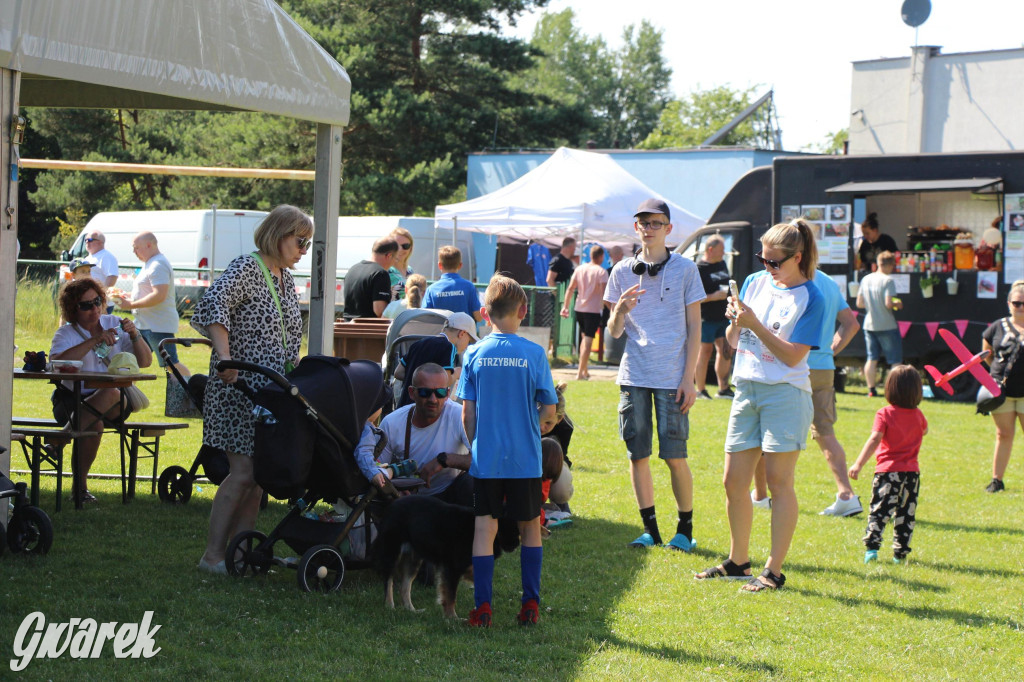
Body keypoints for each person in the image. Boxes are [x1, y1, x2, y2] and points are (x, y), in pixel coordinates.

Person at [695, 219, 825, 591]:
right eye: (762, 260)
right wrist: (737, 321)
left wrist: (755, 323)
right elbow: (734, 341)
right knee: (733, 481)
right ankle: (738, 561)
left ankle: (774, 570)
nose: (767, 268)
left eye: (774, 263)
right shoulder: (754, 282)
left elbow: (792, 357)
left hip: (786, 393)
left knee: (780, 484)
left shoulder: (812, 298)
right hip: (746, 388)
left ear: (797, 258)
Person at [191, 205, 311, 574]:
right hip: (239, 386)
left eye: (308, 243)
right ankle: (212, 556)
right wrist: (225, 357)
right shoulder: (247, 267)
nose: (304, 249)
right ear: (278, 234)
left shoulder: (284, 278)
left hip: (270, 391)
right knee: (243, 471)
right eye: (300, 240)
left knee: (258, 476)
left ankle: (241, 555)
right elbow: (213, 305)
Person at [604, 198, 705, 551]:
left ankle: (685, 531)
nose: (649, 228)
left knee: (676, 456)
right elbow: (615, 331)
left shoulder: (686, 269)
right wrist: (619, 309)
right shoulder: (619, 271)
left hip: (673, 377)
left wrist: (689, 378)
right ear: (636, 228)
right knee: (638, 455)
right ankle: (650, 530)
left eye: (656, 223)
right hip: (634, 374)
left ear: (668, 228)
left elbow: (696, 326)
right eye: (644, 223)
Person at [457, 274, 557, 628]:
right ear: (523, 310)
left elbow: (467, 413)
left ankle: (482, 608)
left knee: (484, 530)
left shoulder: (473, 353)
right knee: (530, 528)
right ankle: (530, 604)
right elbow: (549, 410)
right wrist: (537, 429)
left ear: (485, 314)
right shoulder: (533, 353)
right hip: (525, 460)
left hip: (487, 461)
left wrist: (474, 446)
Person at [751, 270, 862, 516]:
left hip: (788, 368)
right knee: (825, 433)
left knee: (763, 430)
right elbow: (852, 324)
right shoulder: (830, 282)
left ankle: (760, 495)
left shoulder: (779, 278)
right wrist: (830, 351)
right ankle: (846, 494)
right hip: (823, 368)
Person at [49, 278, 153, 503]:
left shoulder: (114, 322)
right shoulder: (65, 334)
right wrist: (94, 340)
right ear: (72, 309)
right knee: (93, 423)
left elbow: (145, 362)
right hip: (72, 400)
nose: (94, 308)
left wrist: (135, 335)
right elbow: (56, 364)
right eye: (85, 305)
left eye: (97, 301)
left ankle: (61, 439)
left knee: (112, 392)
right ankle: (80, 490)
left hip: (117, 402)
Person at [358, 363, 474, 506]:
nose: (433, 399)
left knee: (474, 482)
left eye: (440, 392)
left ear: (448, 394)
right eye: (425, 392)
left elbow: (484, 462)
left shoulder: (460, 416)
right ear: (412, 393)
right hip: (411, 501)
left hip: (453, 495)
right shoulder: (392, 423)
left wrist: (445, 460)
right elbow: (376, 468)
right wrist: (394, 490)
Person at [848, 365, 927, 564]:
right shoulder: (918, 416)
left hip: (887, 472)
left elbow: (875, 439)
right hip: (911, 474)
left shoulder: (885, 413)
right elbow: (924, 431)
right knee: (905, 513)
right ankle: (900, 555)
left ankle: (872, 550)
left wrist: (858, 463)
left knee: (880, 510)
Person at [115, 232, 189, 377]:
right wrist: (124, 296)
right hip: (145, 325)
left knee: (171, 364)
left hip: (157, 325)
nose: (134, 252)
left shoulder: (158, 264)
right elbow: (146, 292)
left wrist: (130, 304)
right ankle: (128, 395)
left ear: (148, 245)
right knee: (131, 361)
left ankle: (193, 391)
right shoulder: (150, 263)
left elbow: (159, 295)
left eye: (136, 248)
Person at [980, 280, 1024, 493]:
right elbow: (987, 354)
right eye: (1017, 303)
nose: (1021, 307)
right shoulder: (998, 326)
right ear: (1009, 304)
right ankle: (997, 480)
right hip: (1001, 392)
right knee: (1003, 434)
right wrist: (997, 377)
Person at [395, 312, 479, 408]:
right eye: (468, 341)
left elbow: (398, 372)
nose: (466, 346)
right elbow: (445, 381)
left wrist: (417, 379)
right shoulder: (448, 347)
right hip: (423, 407)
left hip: (404, 405)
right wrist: (457, 372)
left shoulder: (418, 343)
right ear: (462, 333)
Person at [857, 251, 903, 397]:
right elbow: (889, 303)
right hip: (887, 324)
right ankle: (894, 391)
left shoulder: (866, 279)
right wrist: (899, 303)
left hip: (869, 324)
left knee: (872, 358)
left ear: (877, 263)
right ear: (890, 265)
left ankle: (871, 390)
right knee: (895, 360)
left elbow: (859, 303)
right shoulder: (888, 280)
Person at [560, 244, 608, 381]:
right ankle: (580, 372)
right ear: (601, 256)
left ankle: (584, 370)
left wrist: (565, 306)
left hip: (579, 308)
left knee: (583, 339)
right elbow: (605, 294)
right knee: (587, 341)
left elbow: (570, 289)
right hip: (593, 310)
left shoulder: (580, 269)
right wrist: (611, 308)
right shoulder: (601, 272)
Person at [694, 235, 734, 400]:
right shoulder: (698, 269)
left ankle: (723, 388)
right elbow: (694, 297)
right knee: (704, 351)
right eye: (721, 250)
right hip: (705, 317)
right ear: (710, 250)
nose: (724, 253)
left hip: (723, 315)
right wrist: (713, 296)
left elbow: (726, 282)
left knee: (725, 350)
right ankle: (700, 390)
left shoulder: (722, 263)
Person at [423, 246, 483, 322]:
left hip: (440, 332)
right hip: (464, 332)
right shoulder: (469, 286)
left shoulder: (431, 289)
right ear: (460, 265)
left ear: (440, 265)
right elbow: (478, 317)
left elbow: (425, 316)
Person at [343, 237, 398, 320]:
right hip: (369, 330)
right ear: (389, 255)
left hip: (347, 327)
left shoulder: (353, 269)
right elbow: (380, 311)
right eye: (395, 258)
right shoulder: (380, 273)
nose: (394, 262)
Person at [388, 227, 414, 300]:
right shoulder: (385, 270)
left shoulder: (410, 270)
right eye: (396, 245)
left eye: (405, 246)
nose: (400, 249)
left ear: (411, 248)